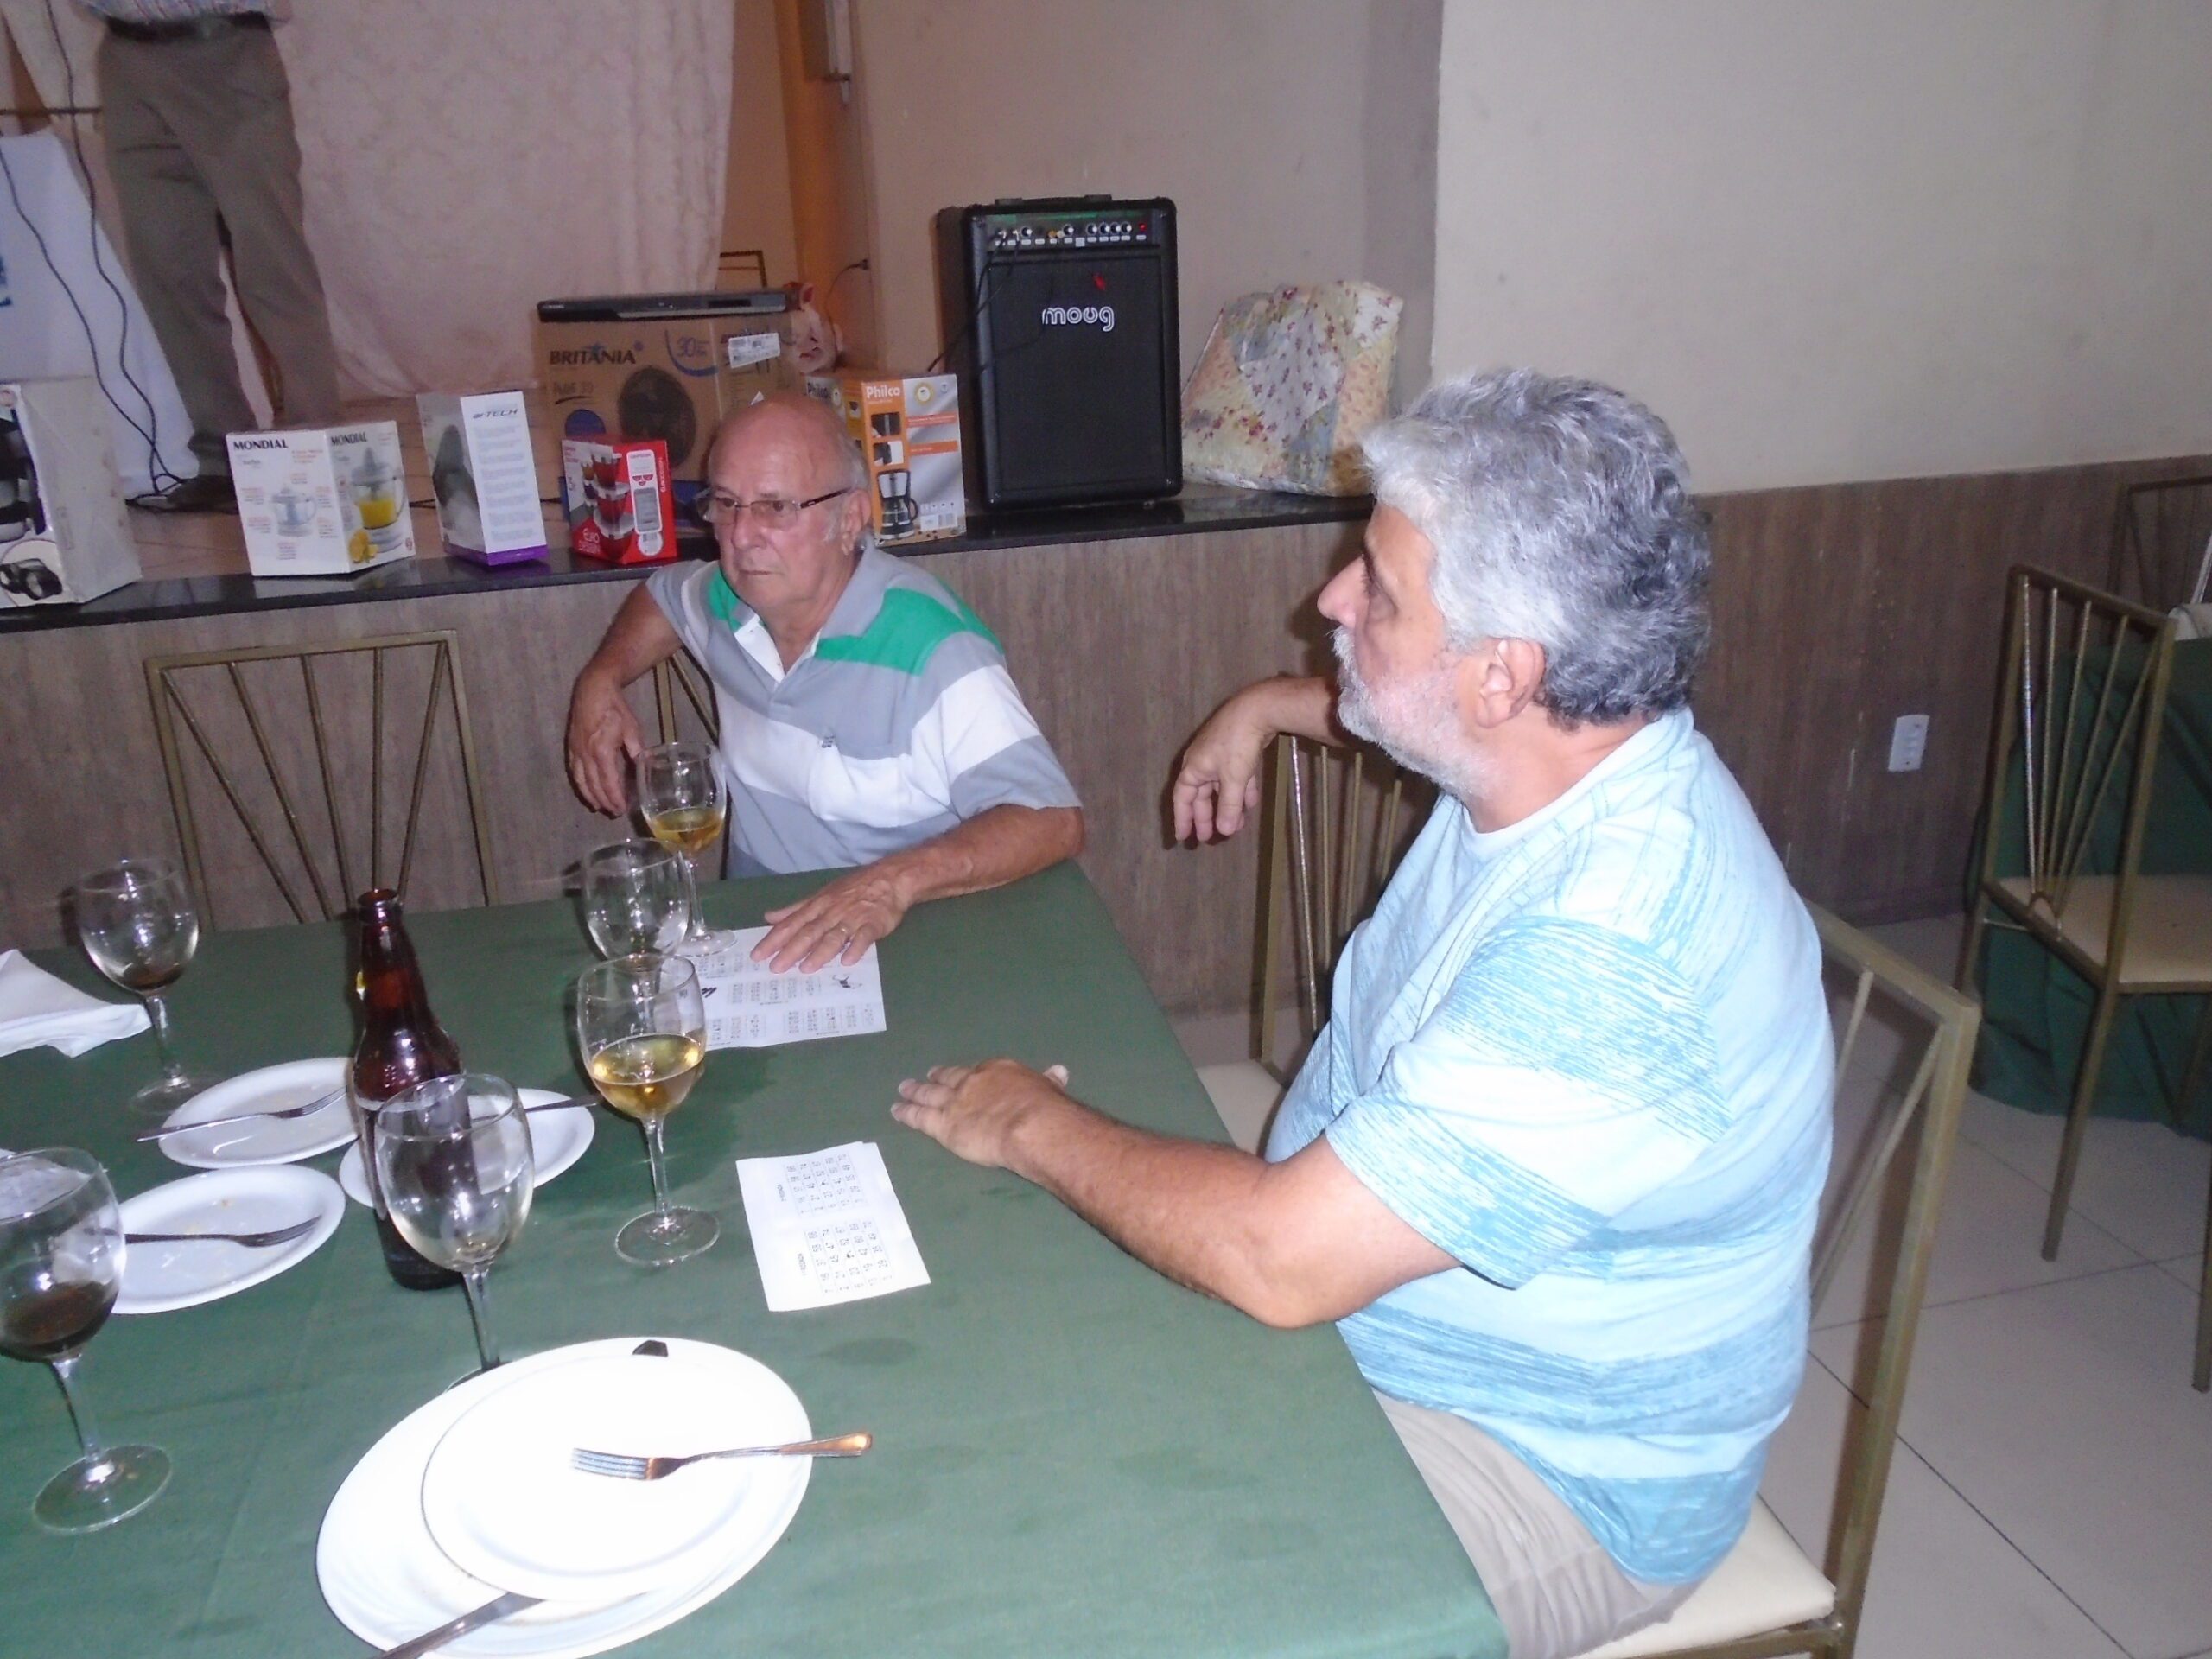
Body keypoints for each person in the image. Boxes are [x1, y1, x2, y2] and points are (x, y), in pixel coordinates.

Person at [892, 370, 1834, 1659]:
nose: (1330, 601)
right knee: (1005, 1385)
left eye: (1379, 590)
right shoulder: (1562, 748)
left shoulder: (1612, 959)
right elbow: (1406, 719)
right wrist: (1262, 709)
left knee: (1089, 1597)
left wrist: (1024, 1120)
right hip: (1374, 1319)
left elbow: (1281, 1262)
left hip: (1543, 1469)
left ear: (1501, 674)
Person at [566, 393, 1084, 973]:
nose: (742, 535)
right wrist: (600, 679)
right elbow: (661, 598)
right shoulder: (731, 598)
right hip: (760, 946)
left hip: (906, 952)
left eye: (776, 507)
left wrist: (889, 884)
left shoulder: (935, 648)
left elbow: (1051, 819)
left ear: (851, 519)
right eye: (727, 504)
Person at [83, 0, 343, 512]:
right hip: (125, 54)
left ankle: (314, 447)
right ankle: (222, 457)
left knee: (273, 265)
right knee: (169, 272)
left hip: (224, 48)